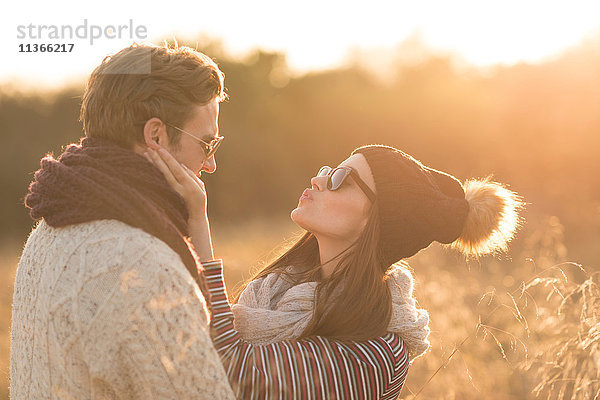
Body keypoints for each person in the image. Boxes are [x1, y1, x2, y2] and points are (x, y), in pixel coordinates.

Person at [145, 141, 525, 399]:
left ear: (376, 221)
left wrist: (196, 219)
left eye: (342, 179)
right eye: (329, 169)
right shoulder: (273, 294)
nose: (318, 179)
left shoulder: (378, 352)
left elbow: (232, 371)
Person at [11, 43, 236, 399]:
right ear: (156, 136)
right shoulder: (145, 268)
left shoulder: (44, 235)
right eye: (207, 145)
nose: (210, 165)